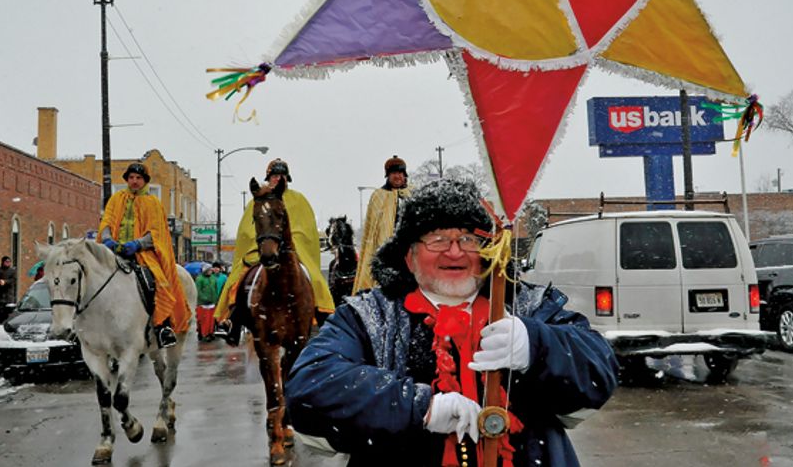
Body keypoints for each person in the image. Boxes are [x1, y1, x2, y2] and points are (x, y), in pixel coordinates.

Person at [285, 179, 619, 466]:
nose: (455, 252)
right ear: (409, 255)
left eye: (468, 239)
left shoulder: (528, 305)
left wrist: (537, 345)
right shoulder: (368, 317)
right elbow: (310, 386)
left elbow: (600, 368)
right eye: (438, 240)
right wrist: (419, 406)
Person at [215, 158, 335, 347]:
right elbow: (247, 231)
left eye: (282, 176)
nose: (279, 179)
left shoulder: (299, 200)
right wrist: (265, 242)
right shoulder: (260, 199)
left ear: (287, 178)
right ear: (269, 178)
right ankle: (233, 321)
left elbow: (306, 231)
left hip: (292, 249)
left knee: (314, 278)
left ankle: (323, 317)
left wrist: (289, 242)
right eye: (275, 175)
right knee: (241, 279)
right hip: (262, 248)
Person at [98, 162, 190, 348]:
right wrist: (108, 239)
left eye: (138, 178)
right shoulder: (116, 199)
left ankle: (162, 326)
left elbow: (156, 233)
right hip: (114, 252)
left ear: (145, 181)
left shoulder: (153, 203)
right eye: (131, 178)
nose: (134, 181)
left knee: (157, 283)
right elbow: (106, 221)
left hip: (143, 254)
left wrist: (137, 244)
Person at [353, 155, 412, 293]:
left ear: (404, 175)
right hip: (385, 252)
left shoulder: (412, 194)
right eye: (394, 173)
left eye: (400, 173)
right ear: (388, 175)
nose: (397, 176)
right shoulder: (378, 196)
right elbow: (372, 230)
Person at [194, 264, 221, 341]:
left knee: (211, 320)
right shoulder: (199, 279)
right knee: (204, 320)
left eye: (211, 270)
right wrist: (205, 298)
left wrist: (216, 299)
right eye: (209, 270)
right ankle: (204, 334)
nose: (210, 271)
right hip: (203, 304)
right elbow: (198, 291)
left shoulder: (213, 278)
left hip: (212, 303)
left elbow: (215, 289)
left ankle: (210, 332)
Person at [0, 255, 17, 325]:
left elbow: (13, 280)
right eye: (6, 261)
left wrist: (5, 282)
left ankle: (6, 327)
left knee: (8, 314)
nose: (8, 263)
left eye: (9, 262)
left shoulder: (12, 271)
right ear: (3, 262)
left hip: (9, 296)